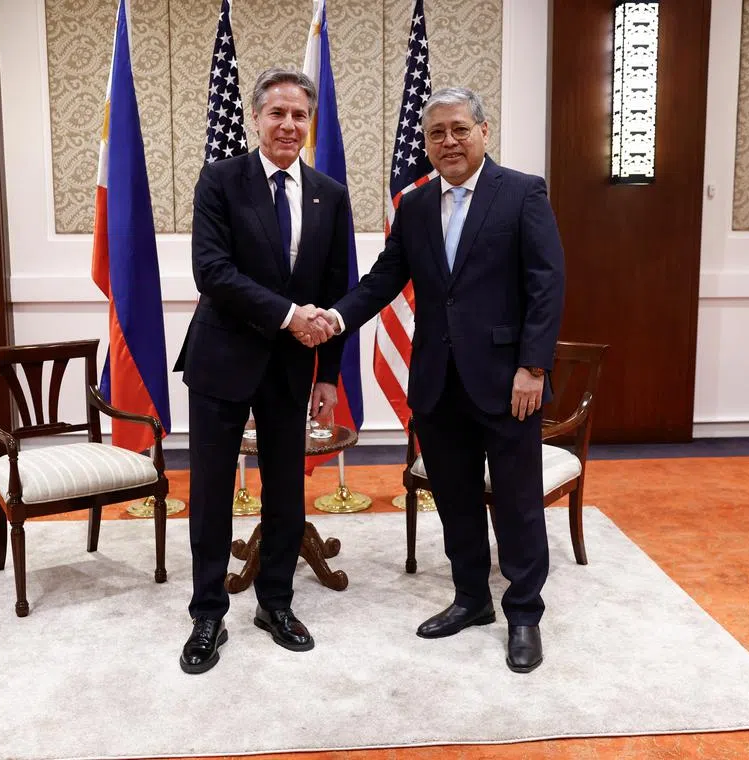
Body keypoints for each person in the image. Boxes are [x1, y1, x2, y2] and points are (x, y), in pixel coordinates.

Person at [324, 86, 565, 673]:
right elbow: (383, 281)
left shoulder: (523, 192)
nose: (449, 141)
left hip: (508, 382)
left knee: (516, 503)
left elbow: (547, 284)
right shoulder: (413, 206)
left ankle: (524, 613)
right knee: (454, 499)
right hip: (436, 380)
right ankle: (472, 598)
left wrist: (533, 367)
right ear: (426, 144)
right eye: (437, 133)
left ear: (484, 131)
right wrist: (334, 318)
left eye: (460, 129)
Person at [174, 67, 350, 674]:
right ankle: (207, 613)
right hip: (221, 359)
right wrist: (288, 315)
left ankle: (276, 603)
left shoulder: (330, 193)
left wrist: (329, 374)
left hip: (292, 367)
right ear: (256, 118)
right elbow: (212, 272)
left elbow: (337, 288)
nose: (288, 125)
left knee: (285, 492)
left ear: (310, 123)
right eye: (277, 113)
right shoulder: (220, 179)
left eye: (300, 115)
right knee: (210, 493)